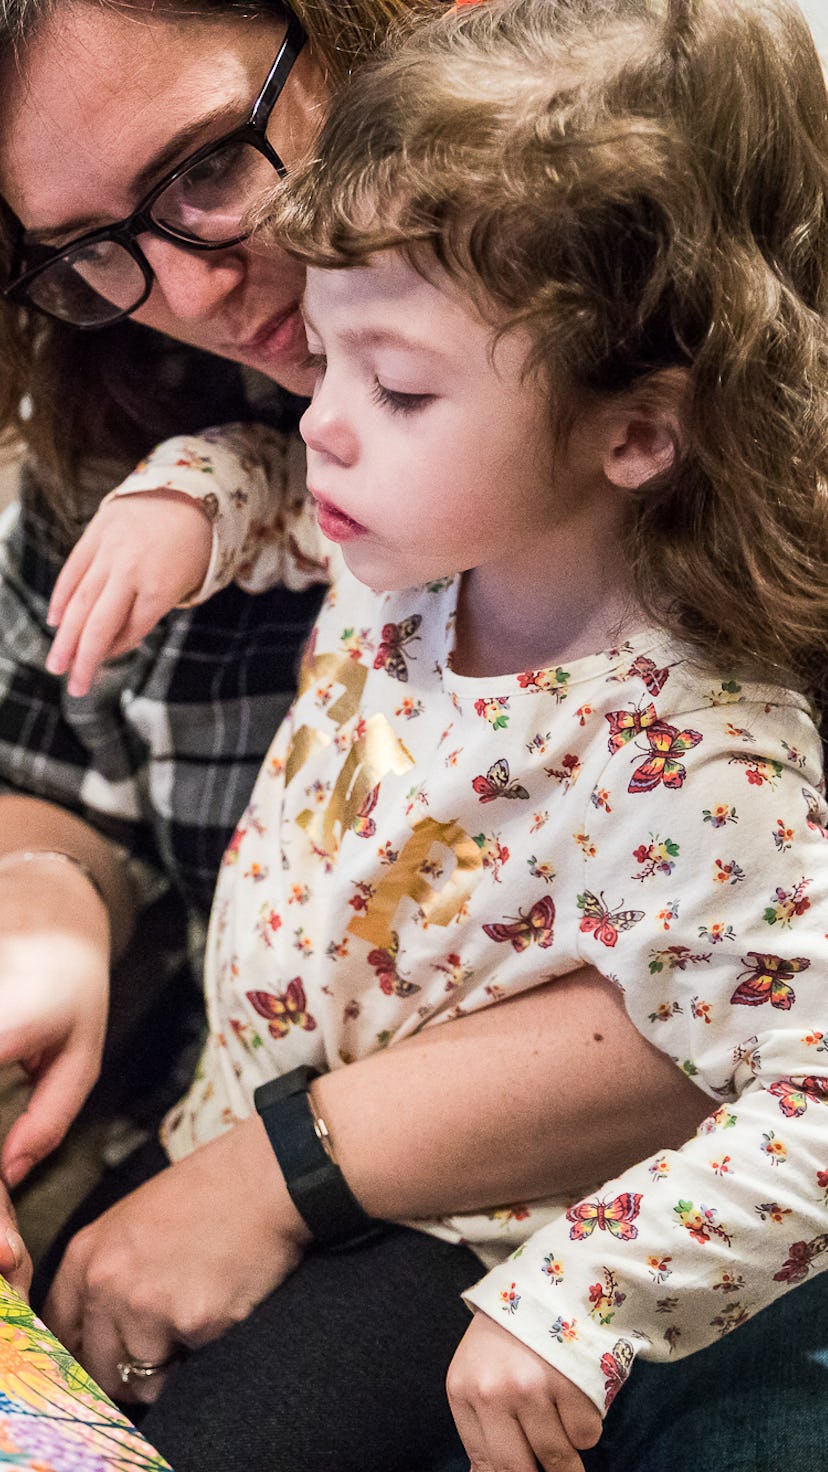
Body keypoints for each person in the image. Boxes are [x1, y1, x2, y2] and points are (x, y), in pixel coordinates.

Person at [40, 0, 828, 1468]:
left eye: (395, 385)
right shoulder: (414, 534)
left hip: (458, 1243)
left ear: (638, 434)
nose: (325, 421)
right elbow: (288, 475)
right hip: (226, 1115)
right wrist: (190, 497)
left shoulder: (702, 761)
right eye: (324, 363)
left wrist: (584, 1302)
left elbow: (814, 1087)